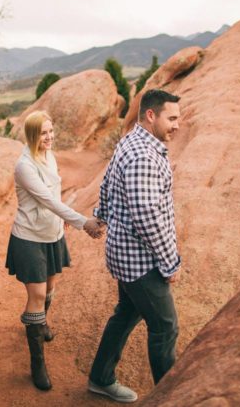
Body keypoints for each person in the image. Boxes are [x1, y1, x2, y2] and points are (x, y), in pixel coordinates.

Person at [87, 89, 182, 403]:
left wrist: (101, 215)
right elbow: (146, 216)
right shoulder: (143, 153)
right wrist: (170, 262)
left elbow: (107, 181)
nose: (177, 125)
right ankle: (167, 399)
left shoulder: (131, 140)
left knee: (126, 313)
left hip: (125, 257)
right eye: (172, 118)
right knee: (165, 327)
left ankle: (101, 378)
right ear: (151, 116)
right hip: (141, 263)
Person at [5, 110, 104, 391]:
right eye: (43, 133)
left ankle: (42, 322)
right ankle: (38, 363)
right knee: (36, 294)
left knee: (50, 288)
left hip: (53, 233)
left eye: (50, 132)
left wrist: (62, 221)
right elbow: (47, 199)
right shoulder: (25, 166)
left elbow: (55, 195)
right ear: (32, 135)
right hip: (29, 237)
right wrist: (82, 221)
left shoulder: (49, 155)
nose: (48, 137)